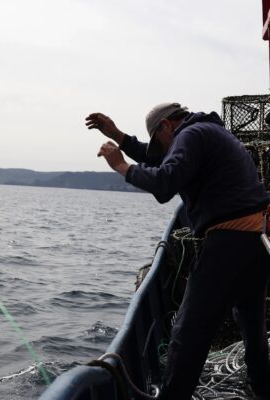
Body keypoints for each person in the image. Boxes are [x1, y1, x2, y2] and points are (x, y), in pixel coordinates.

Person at [85, 103, 270, 400]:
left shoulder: (191, 135)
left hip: (227, 244)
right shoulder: (207, 132)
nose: (159, 147)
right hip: (255, 241)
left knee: (188, 333)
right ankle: (262, 388)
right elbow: (159, 157)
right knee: (251, 325)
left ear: (167, 126)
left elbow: (164, 182)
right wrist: (119, 136)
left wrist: (121, 165)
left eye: (157, 138)